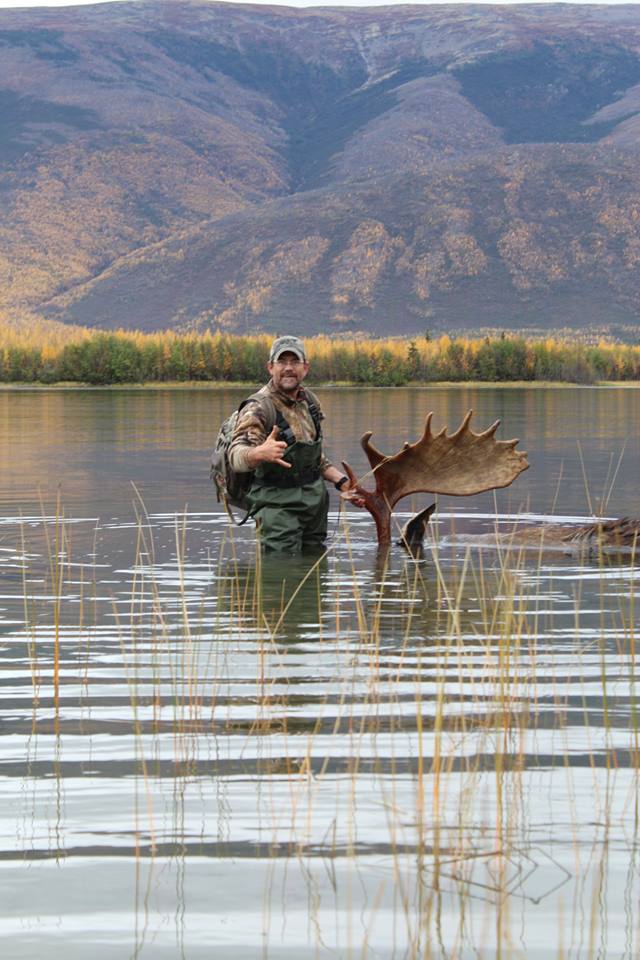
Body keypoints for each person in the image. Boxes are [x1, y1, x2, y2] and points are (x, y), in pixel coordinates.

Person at [228, 335, 363, 552]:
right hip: (277, 507)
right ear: (270, 367)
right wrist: (259, 453)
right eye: (282, 362)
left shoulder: (310, 403)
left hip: (315, 506)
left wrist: (342, 482)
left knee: (316, 569)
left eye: (294, 362)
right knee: (281, 573)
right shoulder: (259, 408)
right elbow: (235, 456)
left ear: (305, 368)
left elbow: (314, 458)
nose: (288, 368)